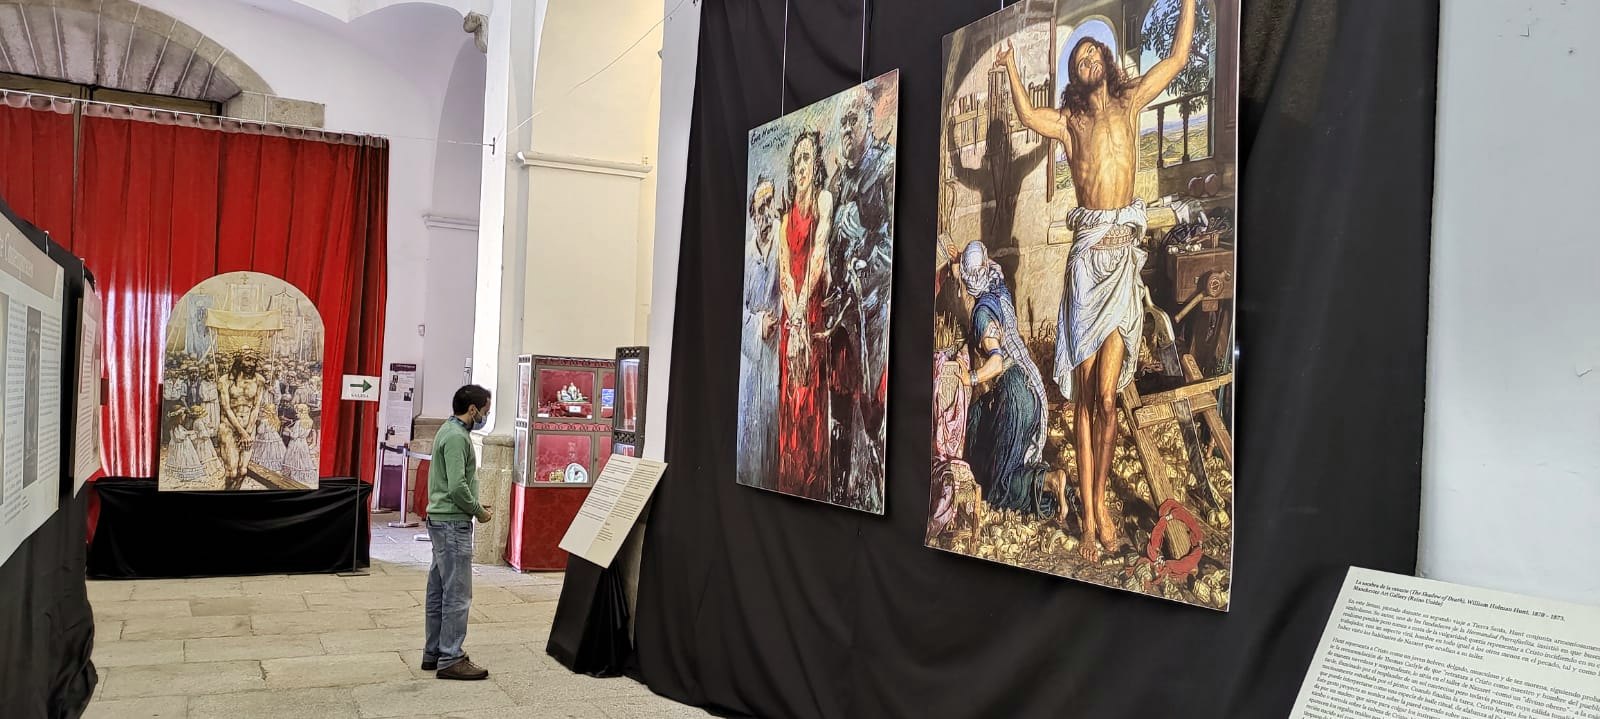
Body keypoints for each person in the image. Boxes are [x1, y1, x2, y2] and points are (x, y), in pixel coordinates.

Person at [995, 0, 1196, 560]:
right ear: (1074, 75)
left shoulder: (1130, 104)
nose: (1086, 61)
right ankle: (1090, 518)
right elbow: (1028, 118)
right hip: (1087, 268)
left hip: (1121, 264)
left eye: (1092, 54)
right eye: (1078, 58)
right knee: (1085, 398)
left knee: (1108, 398)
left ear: (1106, 62)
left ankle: (1100, 500)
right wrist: (1010, 69)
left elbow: (1178, 57)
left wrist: (1188, 3)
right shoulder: (1070, 122)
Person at [823, 88, 895, 509]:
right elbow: (831, 246)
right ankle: (841, 492)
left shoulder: (885, 168)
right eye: (843, 124)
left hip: (874, 310)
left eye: (853, 121)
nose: (847, 129)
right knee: (839, 403)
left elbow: (893, 247)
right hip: (844, 312)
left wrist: (864, 247)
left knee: (872, 405)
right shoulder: (837, 182)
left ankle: (873, 491)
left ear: (869, 121)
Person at [952, 242, 1057, 514]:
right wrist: (958, 259)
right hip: (1028, 380)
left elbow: (996, 362)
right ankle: (1061, 489)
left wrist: (969, 377)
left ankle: (1049, 480)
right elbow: (982, 266)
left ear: (967, 282)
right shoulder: (997, 282)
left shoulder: (981, 315)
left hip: (1015, 392)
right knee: (1002, 451)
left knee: (998, 489)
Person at [422, 384, 495, 681]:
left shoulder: (449, 429)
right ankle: (451, 657)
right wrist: (478, 510)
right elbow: (456, 486)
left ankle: (434, 652)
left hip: (443, 520)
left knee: (439, 590)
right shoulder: (456, 436)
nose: (485, 416)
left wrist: (473, 504)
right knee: (457, 594)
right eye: (485, 410)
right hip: (452, 523)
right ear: (473, 409)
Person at [775, 130, 833, 500]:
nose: (801, 166)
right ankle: (790, 485)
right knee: (791, 401)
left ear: (816, 165)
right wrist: (792, 318)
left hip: (810, 314)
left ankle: (812, 487)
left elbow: (818, 256)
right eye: (797, 159)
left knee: (811, 399)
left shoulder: (823, 201)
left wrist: (799, 316)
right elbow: (784, 273)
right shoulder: (785, 220)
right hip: (792, 317)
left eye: (807, 158)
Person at [736, 178, 782, 488]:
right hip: (751, 360)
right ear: (752, 212)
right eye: (759, 205)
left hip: (778, 353)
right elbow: (734, 309)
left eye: (769, 202)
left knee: (774, 426)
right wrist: (756, 325)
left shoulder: (782, 245)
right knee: (750, 434)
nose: (765, 211)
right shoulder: (745, 254)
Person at [217, 350, 267, 491]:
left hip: (249, 428)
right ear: (239, 360)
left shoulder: (259, 380)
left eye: (254, 360)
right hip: (229, 427)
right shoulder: (224, 380)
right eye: (248, 359)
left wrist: (248, 432)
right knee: (231, 472)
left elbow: (256, 407)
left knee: (243, 471)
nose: (252, 364)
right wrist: (242, 433)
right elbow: (226, 408)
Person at [281, 404, 317, 487]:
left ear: (300, 412)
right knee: (302, 460)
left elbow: (294, 436)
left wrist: (288, 430)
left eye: (297, 412)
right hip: (303, 443)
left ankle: (292, 478)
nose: (296, 414)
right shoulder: (310, 421)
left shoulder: (298, 422)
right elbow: (304, 434)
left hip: (295, 443)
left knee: (293, 459)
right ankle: (301, 477)